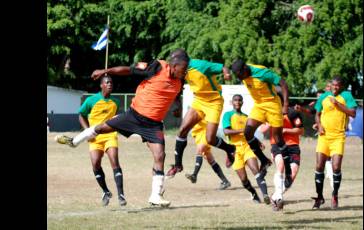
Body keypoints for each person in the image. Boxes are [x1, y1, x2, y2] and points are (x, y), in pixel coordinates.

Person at [55, 53, 189, 207]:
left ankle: (155, 195)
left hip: (153, 124)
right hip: (134, 115)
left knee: (160, 155)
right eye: (183, 69)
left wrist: (177, 106)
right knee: (102, 128)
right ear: (174, 66)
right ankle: (75, 141)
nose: (185, 72)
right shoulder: (157, 67)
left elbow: (176, 92)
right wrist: (106, 70)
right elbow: (129, 70)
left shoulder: (180, 78)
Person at [166, 49, 237, 178]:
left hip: (214, 102)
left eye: (175, 63)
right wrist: (176, 105)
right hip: (199, 100)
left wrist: (227, 74)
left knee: (210, 139)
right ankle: (177, 165)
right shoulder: (182, 71)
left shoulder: (200, 66)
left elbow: (223, 67)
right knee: (182, 130)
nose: (173, 66)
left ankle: (230, 149)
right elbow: (178, 87)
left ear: (183, 61)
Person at [230, 59, 289, 211]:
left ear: (245, 68)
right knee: (247, 132)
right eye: (237, 76)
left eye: (240, 74)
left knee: (277, 138)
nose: (239, 78)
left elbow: (283, 83)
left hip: (273, 105)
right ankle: (264, 160)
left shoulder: (261, 72)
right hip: (259, 106)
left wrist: (286, 105)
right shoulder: (243, 75)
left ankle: (287, 163)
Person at [75, 75, 127, 206]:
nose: (110, 84)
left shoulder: (116, 102)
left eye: (111, 82)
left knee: (114, 161)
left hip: (110, 135)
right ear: (101, 85)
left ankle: (121, 195)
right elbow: (81, 115)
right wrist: (87, 132)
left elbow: (115, 118)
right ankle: (105, 191)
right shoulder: (91, 100)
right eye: (107, 82)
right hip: (95, 137)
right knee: (95, 164)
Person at [311, 76, 357, 209]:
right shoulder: (324, 96)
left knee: (336, 167)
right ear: (330, 85)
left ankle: (335, 194)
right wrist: (319, 125)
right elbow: (317, 114)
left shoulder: (346, 95)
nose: (335, 87)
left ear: (341, 86)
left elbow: (353, 113)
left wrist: (338, 104)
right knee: (319, 166)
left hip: (338, 137)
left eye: (338, 85)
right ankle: (319, 197)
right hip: (324, 137)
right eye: (333, 85)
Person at [222, 94, 271, 204]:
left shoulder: (246, 117)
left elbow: (249, 133)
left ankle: (265, 195)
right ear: (232, 102)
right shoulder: (228, 115)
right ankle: (253, 193)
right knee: (244, 179)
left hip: (247, 147)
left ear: (242, 102)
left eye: (240, 100)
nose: (238, 102)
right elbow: (226, 131)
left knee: (256, 170)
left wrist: (258, 142)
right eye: (235, 100)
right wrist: (242, 130)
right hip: (235, 150)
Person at [270, 94, 304, 195]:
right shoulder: (269, 112)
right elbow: (262, 129)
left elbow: (301, 130)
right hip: (277, 144)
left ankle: (278, 194)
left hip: (293, 146)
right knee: (280, 166)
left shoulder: (292, 113)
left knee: (292, 174)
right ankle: (278, 197)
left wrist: (286, 130)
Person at [184, 118, 231, 190]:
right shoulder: (197, 109)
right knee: (210, 159)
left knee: (199, 151)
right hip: (199, 135)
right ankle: (225, 181)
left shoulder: (205, 110)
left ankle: (194, 175)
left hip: (204, 133)